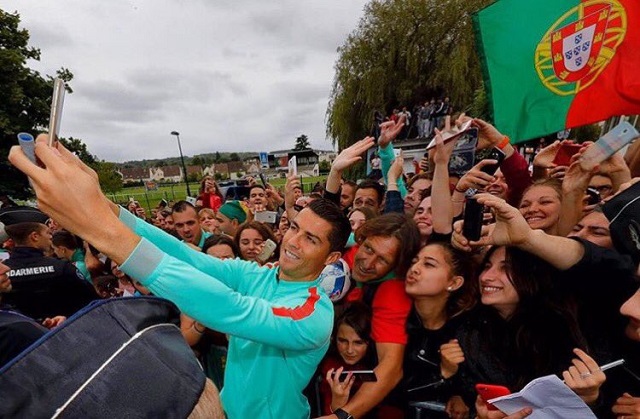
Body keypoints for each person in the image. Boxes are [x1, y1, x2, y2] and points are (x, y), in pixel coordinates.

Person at [10, 134, 353, 418]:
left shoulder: (314, 314)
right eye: (294, 227)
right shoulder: (261, 276)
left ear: (332, 257)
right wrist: (106, 210)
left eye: (311, 239)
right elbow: (189, 258)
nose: (292, 241)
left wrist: (103, 234)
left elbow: (230, 308)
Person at [402, 242, 476, 419]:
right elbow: (389, 390)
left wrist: (463, 397)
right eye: (414, 261)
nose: (414, 269)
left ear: (454, 282)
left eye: (429, 264)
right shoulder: (396, 321)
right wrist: (443, 373)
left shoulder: (468, 332)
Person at [0, 210, 98, 320]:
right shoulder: (61, 268)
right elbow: (92, 303)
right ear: (35, 236)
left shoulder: (4, 275)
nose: (51, 237)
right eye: (47, 233)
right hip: (65, 330)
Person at [320, 302, 376, 416]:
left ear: (370, 342)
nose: (349, 350)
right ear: (333, 339)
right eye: (343, 341)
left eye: (358, 342)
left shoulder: (383, 368)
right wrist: (338, 402)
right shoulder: (330, 369)